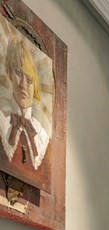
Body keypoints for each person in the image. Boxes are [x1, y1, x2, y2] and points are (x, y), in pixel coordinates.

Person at [0, 37, 49, 171]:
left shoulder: (42, 136)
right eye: (18, 73)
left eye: (30, 80)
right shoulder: (2, 119)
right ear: (9, 72)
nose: (23, 85)